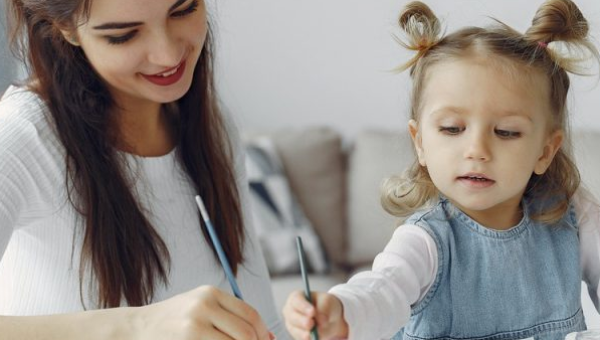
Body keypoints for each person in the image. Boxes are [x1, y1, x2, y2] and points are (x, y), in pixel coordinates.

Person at [283, 0, 600, 339]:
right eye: (452, 128)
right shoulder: (425, 240)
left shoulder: (574, 215)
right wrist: (343, 311)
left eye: (506, 132)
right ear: (420, 142)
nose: (477, 150)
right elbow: (381, 291)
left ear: (545, 151)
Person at [0, 0, 288, 339]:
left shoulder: (214, 128)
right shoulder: (22, 135)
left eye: (183, 10)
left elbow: (263, 320)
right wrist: (138, 326)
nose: (167, 55)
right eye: (123, 35)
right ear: (66, 29)